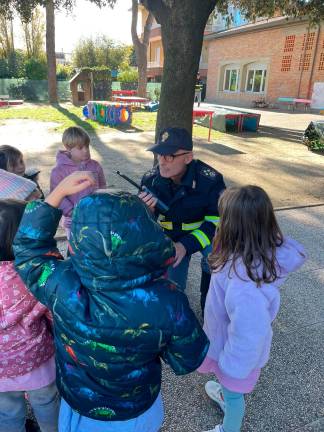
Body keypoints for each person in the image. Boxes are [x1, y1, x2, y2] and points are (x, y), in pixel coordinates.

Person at [13, 171, 209, 432]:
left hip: (79, 404)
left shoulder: (61, 283)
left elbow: (30, 253)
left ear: (77, 241)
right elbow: (188, 358)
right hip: (136, 410)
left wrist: (55, 196)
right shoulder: (167, 299)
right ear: (147, 236)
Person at [198, 185, 306, 432]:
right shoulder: (245, 256)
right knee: (229, 388)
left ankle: (229, 427)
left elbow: (248, 333)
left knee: (235, 395)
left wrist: (231, 368)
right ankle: (227, 393)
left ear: (233, 227)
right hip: (226, 342)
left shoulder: (245, 283)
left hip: (236, 356)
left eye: (223, 217)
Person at [140, 127, 225, 312]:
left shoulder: (210, 181)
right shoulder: (150, 180)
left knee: (219, 259)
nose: (161, 161)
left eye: (169, 155)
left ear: (188, 157)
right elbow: (143, 226)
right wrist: (146, 212)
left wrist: (185, 246)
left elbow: (216, 224)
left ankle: (209, 302)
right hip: (169, 237)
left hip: (203, 234)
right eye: (159, 154)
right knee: (174, 289)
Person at [0, 199, 60, 432]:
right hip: (37, 361)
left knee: (7, 413)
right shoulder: (34, 272)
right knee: (46, 403)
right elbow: (55, 314)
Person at [50, 126, 107, 239]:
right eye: (80, 148)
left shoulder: (95, 165)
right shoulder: (58, 171)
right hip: (73, 219)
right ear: (68, 148)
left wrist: (101, 205)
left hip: (94, 215)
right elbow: (57, 195)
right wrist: (71, 212)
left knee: (95, 242)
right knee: (76, 246)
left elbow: (103, 186)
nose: (86, 150)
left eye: (87, 146)